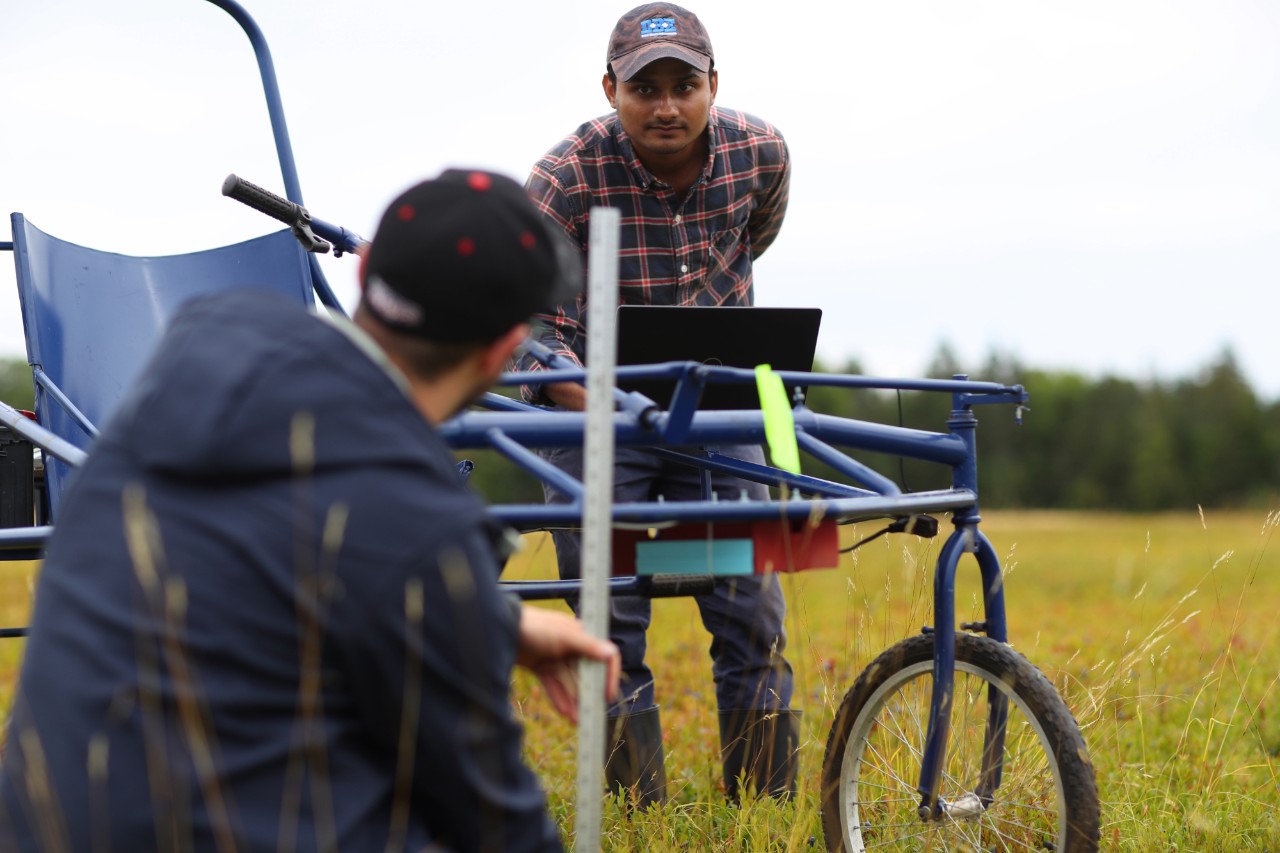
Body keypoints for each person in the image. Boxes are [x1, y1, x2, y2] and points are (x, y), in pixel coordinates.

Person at [0, 169, 621, 852]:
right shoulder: (417, 520)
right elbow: (494, 817)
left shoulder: (204, 344)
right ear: (503, 351)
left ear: (366, 280)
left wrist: (489, 619)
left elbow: (272, 548)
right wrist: (460, 602)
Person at [515, 2, 798, 807]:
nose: (666, 106)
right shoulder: (563, 177)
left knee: (748, 597)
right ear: (611, 90)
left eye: (684, 85)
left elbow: (757, 235)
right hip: (590, 402)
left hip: (714, 397)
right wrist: (594, 398)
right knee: (612, 603)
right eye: (646, 89)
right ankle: (634, 806)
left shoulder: (762, 153)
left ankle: (764, 798)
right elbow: (529, 331)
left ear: (715, 85)